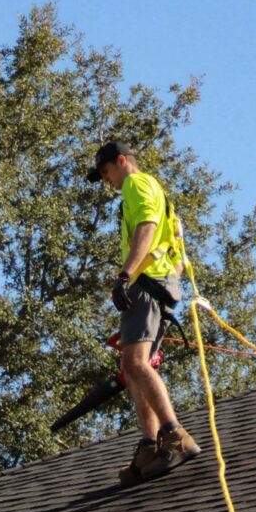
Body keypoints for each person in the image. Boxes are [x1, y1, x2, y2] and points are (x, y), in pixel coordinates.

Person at [86, 141, 201, 486]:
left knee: (135, 363)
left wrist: (126, 275)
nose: (106, 180)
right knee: (133, 365)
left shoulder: (136, 184)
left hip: (147, 283)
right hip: (158, 283)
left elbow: (147, 227)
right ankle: (150, 446)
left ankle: (175, 435)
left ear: (122, 161)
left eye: (106, 171)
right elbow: (172, 245)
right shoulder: (152, 189)